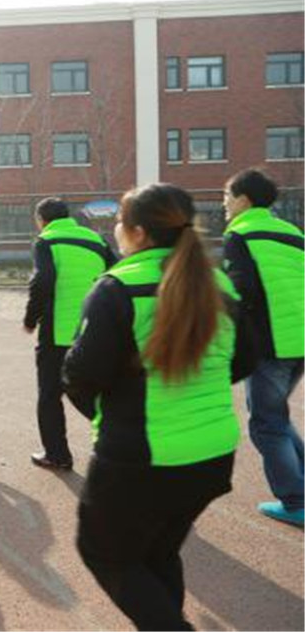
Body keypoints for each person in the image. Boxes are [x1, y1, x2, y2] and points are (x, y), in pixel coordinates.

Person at [63, 183, 256, 631]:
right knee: (156, 553)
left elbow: (80, 375)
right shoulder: (218, 284)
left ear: (138, 233)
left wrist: (112, 417)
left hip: (142, 456)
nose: (116, 229)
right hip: (212, 452)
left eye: (120, 222)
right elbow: (244, 360)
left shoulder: (117, 287)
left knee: (105, 553)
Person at [222, 168, 304, 527]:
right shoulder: (293, 233)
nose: (224, 204)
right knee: (276, 417)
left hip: (270, 343)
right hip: (299, 338)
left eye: (227, 196)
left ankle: (295, 501)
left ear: (243, 199)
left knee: (267, 425)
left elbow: (241, 290)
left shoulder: (240, 234)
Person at [23, 197, 116, 470]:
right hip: (96, 329)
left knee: (50, 395)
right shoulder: (96, 240)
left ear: (41, 220)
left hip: (59, 332)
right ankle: (120, 440)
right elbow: (116, 274)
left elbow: (43, 280)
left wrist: (31, 318)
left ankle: (57, 454)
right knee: (95, 392)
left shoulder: (46, 241)